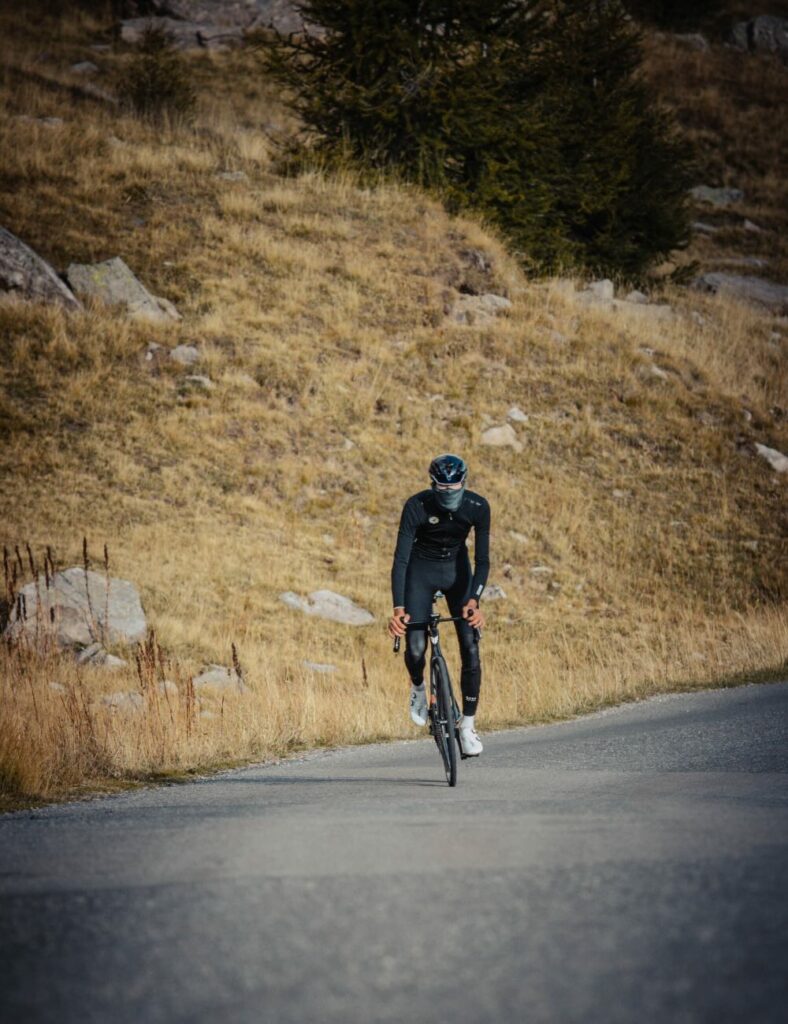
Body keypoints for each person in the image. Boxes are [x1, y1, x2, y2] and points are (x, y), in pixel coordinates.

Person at [388, 453, 490, 756]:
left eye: (455, 486)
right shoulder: (416, 505)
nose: (449, 493)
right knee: (416, 648)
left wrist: (475, 600)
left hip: (457, 572)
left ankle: (467, 726)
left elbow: (482, 560)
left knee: (470, 646)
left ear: (464, 481)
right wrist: (398, 608)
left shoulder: (478, 506)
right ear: (433, 485)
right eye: (442, 488)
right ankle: (419, 687)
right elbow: (401, 560)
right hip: (421, 570)